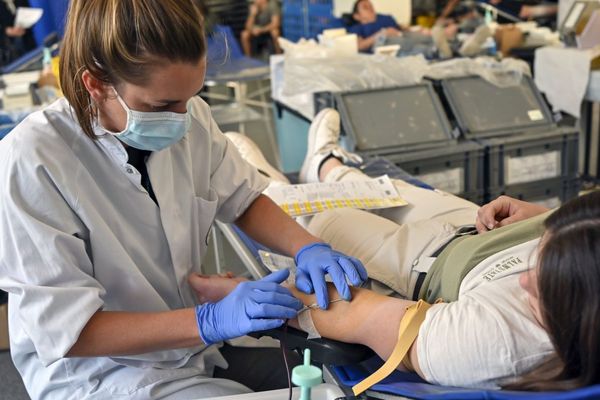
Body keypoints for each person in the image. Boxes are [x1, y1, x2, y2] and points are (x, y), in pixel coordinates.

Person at [0, 1, 367, 399]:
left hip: (193, 346)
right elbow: (70, 331)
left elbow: (243, 200)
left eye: (190, 98)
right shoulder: (33, 160)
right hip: (103, 374)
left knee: (341, 385)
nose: (180, 118)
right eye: (161, 106)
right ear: (96, 83)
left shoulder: (189, 117)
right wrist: (209, 319)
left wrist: (307, 246)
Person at [221, 108, 600, 391]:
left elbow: (360, 315)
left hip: (430, 260)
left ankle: (263, 184)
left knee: (323, 219)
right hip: (482, 225)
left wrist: (247, 300)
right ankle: (328, 164)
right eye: (541, 255)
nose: (525, 279)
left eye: (543, 284)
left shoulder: (498, 342)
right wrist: (547, 218)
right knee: (386, 191)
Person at [0, 0, 37, 66]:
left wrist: (24, 26)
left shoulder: (21, 1)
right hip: (9, 48)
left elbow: (31, 15)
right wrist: (6, 31)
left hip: (27, 41)